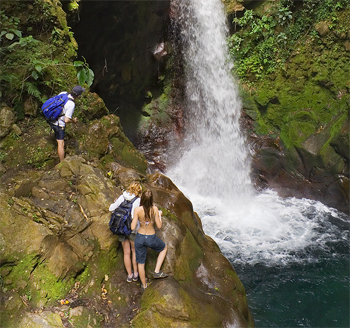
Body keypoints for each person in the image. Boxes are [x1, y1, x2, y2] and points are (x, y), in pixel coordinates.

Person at [131, 189, 168, 291]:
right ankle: (156, 271)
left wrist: (136, 218)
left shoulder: (137, 210)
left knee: (140, 263)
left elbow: (133, 227)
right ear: (152, 200)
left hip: (140, 237)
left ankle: (144, 286)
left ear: (142, 199)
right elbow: (159, 226)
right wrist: (159, 215)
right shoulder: (155, 209)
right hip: (151, 237)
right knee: (164, 248)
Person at [109, 182, 142, 282]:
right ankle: (136, 274)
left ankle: (129, 275)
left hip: (120, 228)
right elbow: (134, 216)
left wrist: (115, 203)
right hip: (132, 230)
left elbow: (111, 208)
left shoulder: (122, 197)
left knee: (126, 253)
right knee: (134, 251)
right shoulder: (137, 200)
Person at [49, 85, 85, 161]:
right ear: (78, 96)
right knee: (61, 144)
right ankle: (62, 163)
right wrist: (73, 121)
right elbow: (66, 120)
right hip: (59, 124)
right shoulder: (71, 104)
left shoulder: (64, 93)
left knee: (58, 138)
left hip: (51, 119)